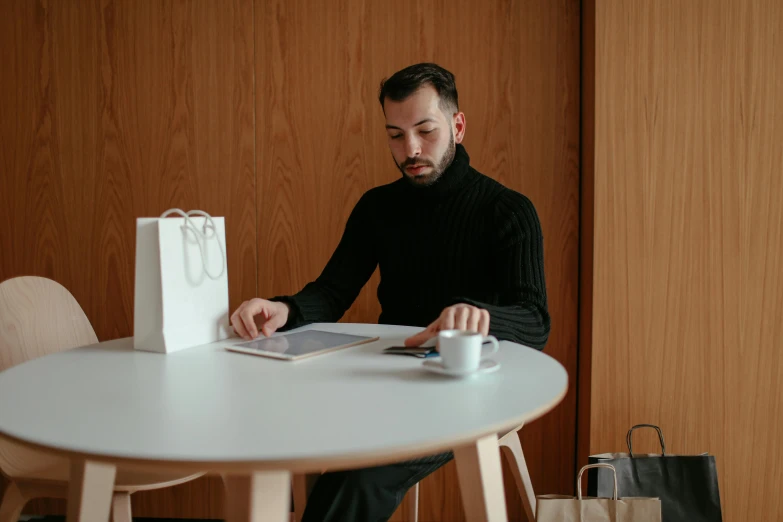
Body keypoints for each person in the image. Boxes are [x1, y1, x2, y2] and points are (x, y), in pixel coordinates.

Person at [230, 62, 550, 522]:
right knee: (270, 440)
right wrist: (284, 308)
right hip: (386, 378)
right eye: (395, 135)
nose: (410, 149)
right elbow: (332, 291)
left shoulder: (509, 211)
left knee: (358, 479)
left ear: (457, 126)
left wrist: (475, 316)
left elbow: (536, 321)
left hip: (469, 386)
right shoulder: (377, 207)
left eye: (425, 130)